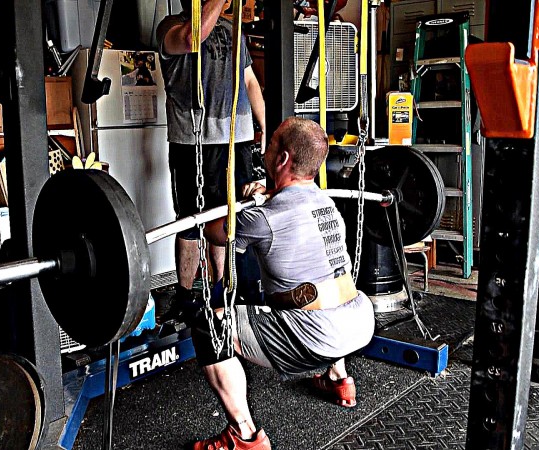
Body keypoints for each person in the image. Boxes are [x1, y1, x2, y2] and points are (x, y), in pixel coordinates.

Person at [185, 117, 375, 450]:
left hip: (315, 340)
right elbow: (289, 206)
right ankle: (338, 378)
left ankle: (244, 435)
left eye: (271, 143)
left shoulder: (265, 218)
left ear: (283, 158)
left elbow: (213, 231)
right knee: (321, 283)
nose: (265, 147)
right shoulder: (327, 204)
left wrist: (241, 203)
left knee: (207, 321)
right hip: (359, 324)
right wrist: (271, 192)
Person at [155, 0, 266, 305]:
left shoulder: (234, 30)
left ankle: (222, 289)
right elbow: (194, 38)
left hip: (236, 139)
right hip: (193, 141)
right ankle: (185, 294)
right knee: (191, 220)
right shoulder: (170, 27)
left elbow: (250, 80)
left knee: (227, 217)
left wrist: (266, 127)